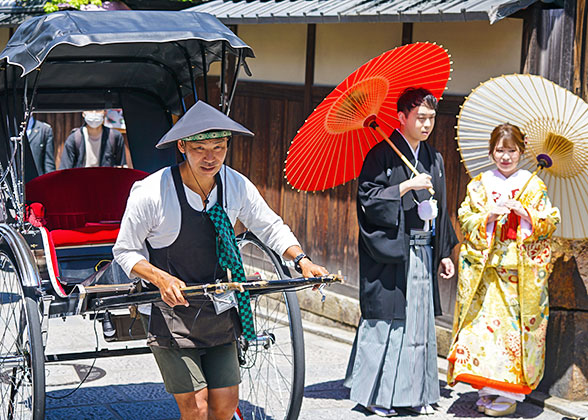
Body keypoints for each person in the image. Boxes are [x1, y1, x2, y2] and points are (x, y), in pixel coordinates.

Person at [113, 100, 328, 420]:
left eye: (219, 146)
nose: (210, 157)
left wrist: (302, 260)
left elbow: (270, 226)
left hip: (219, 305)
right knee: (197, 407)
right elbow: (124, 251)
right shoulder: (152, 191)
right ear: (182, 146)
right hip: (169, 311)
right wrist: (160, 278)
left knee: (225, 405)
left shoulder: (235, 185)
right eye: (200, 148)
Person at [344, 87, 458, 417]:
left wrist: (445, 251)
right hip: (392, 253)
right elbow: (368, 200)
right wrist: (406, 186)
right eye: (420, 118)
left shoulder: (433, 158)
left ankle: (417, 395)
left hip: (423, 252)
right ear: (402, 117)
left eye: (431, 119)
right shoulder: (380, 155)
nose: (426, 125)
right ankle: (377, 396)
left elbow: (442, 207)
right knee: (388, 322)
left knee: (419, 325)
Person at [447, 123, 560, 416]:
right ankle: (487, 390)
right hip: (486, 271)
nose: (505, 156)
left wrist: (528, 215)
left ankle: (509, 394)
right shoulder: (480, 184)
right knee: (483, 331)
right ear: (491, 152)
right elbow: (465, 217)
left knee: (512, 334)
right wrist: (487, 215)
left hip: (519, 275)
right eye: (500, 150)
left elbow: (549, 222)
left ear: (521, 152)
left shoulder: (533, 185)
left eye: (511, 150)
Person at [59, 109, 126, 169]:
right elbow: (65, 169)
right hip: (81, 180)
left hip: (106, 180)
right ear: (83, 113)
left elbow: (121, 166)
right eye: (90, 110)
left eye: (98, 110)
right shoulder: (74, 138)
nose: (94, 113)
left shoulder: (114, 136)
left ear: (105, 112)